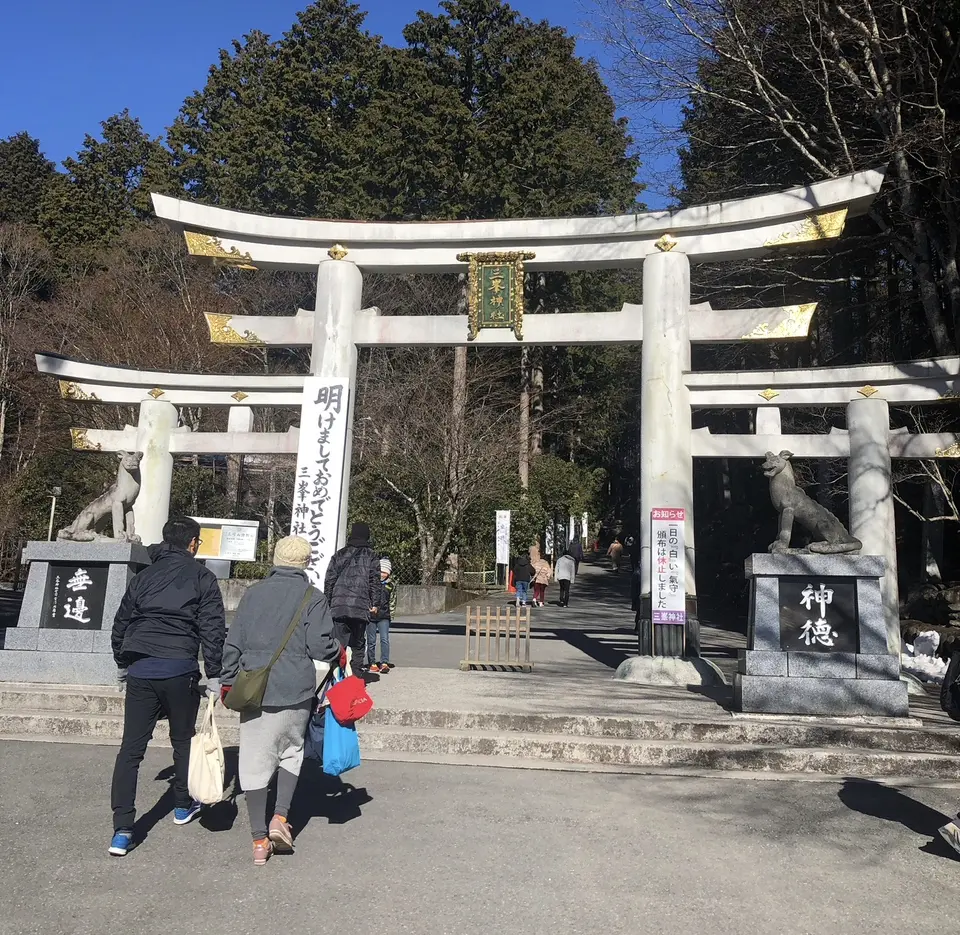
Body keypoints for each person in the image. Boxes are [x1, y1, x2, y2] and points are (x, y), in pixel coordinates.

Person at [220, 535, 343, 866]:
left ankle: (259, 840)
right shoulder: (311, 598)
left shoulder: (253, 594)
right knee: (291, 752)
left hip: (255, 688)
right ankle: (281, 818)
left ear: (275, 559)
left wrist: (228, 680)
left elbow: (234, 641)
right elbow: (321, 647)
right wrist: (338, 651)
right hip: (296, 689)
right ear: (305, 563)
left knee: (254, 762)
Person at [109, 516, 226, 858]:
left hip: (141, 667)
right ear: (192, 543)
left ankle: (122, 829)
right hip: (180, 668)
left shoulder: (143, 577)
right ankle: (181, 806)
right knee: (182, 739)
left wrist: (121, 662)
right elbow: (212, 629)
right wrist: (215, 673)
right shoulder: (203, 578)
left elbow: (122, 621)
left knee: (131, 749)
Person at [324, 522, 381, 674]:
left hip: (339, 605)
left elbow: (329, 580)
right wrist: (375, 603)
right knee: (357, 644)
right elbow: (374, 581)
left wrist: (328, 602)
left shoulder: (339, 554)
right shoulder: (371, 556)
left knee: (338, 644)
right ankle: (356, 676)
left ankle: (337, 676)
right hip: (360, 606)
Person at [367, 557, 396, 674]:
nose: (382, 574)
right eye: (380, 572)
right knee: (371, 640)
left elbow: (393, 600)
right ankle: (372, 662)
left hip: (384, 616)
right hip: (371, 616)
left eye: (385, 572)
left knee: (384, 639)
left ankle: (384, 662)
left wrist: (391, 615)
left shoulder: (391, 585)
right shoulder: (371, 583)